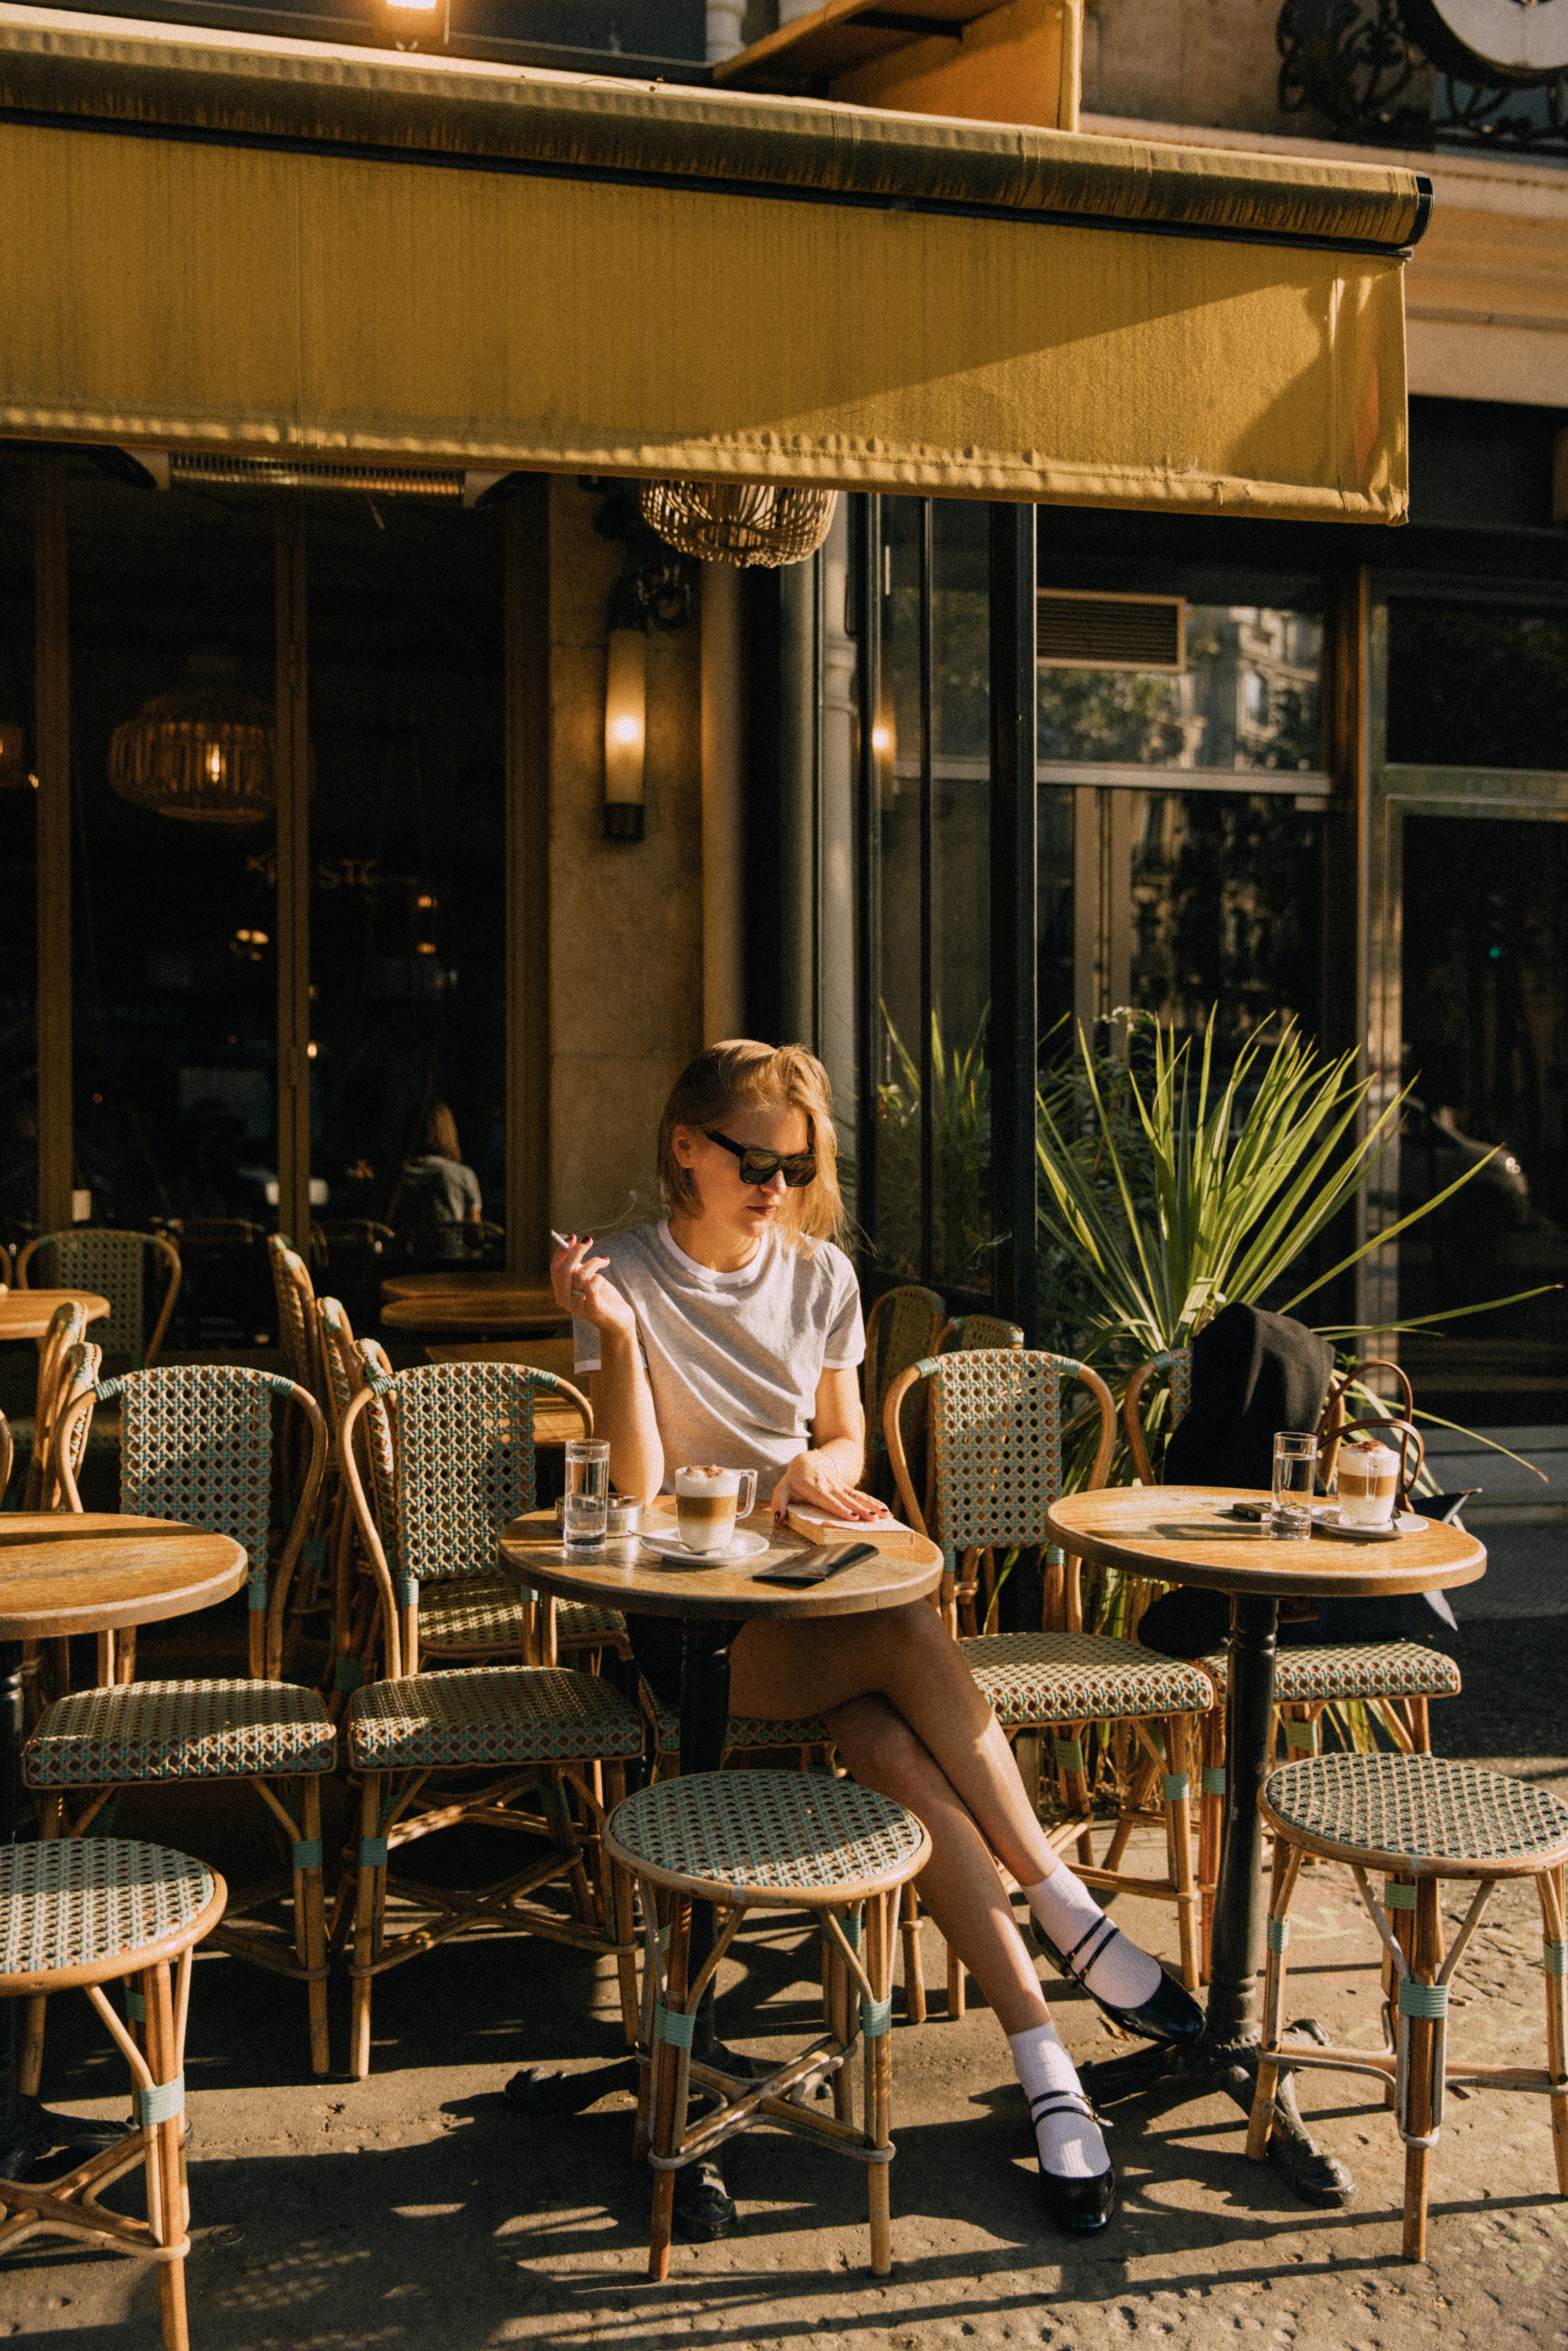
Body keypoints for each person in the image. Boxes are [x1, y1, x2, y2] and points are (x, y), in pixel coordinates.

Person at [554, 1040, 1202, 2239]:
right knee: (907, 1629)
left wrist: (817, 1466)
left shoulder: (821, 1275)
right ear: (686, 1146)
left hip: (809, 1609)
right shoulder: (621, 1274)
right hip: (696, 1630)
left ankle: (1044, 2058)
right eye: (754, 1160)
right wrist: (620, 1338)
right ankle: (1062, 1901)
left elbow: (846, 1437)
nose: (777, 1186)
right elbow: (634, 1492)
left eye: (797, 1167)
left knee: (891, 1744)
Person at [391, 1101, 483, 1261]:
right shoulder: (463, 1175)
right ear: (449, 1133)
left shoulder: (395, 1175)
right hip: (453, 1263)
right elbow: (474, 1232)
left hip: (404, 1263)